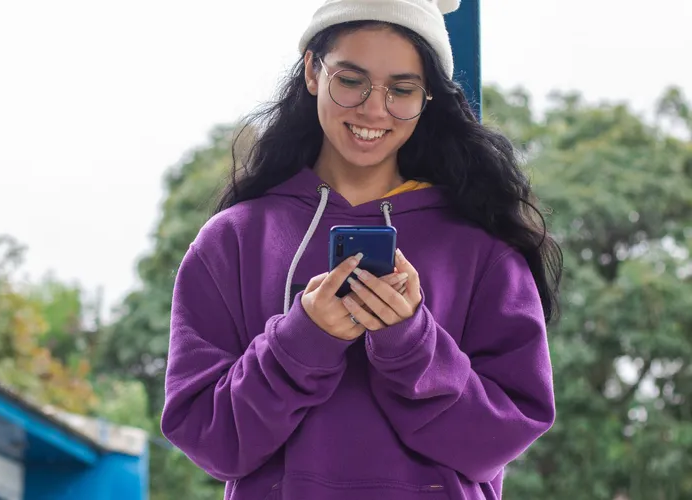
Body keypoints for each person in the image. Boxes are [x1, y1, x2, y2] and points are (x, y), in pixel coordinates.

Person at [159, 0, 563, 498]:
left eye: (402, 89)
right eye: (350, 80)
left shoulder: (484, 250)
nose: (374, 109)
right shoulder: (232, 242)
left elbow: (499, 439)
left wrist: (411, 343)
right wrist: (301, 340)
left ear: (427, 96)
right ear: (312, 70)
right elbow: (210, 442)